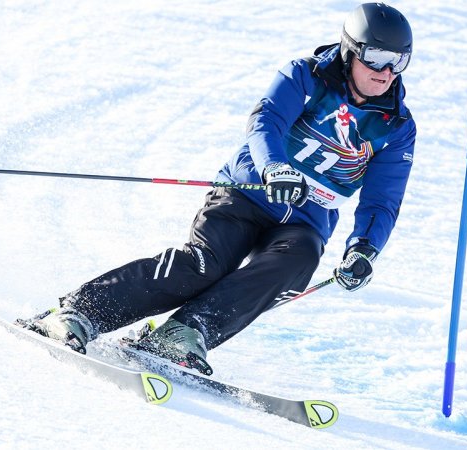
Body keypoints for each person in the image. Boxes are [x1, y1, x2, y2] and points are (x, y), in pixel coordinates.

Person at [21, 2, 416, 376]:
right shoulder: (306, 75)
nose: (386, 72)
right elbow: (266, 121)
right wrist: (273, 168)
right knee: (205, 264)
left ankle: (184, 333)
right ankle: (79, 311)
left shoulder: (396, 127)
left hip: (306, 219)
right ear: (350, 51)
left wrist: (364, 249)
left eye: (399, 61)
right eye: (376, 58)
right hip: (247, 193)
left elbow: (383, 199)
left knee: (298, 261)